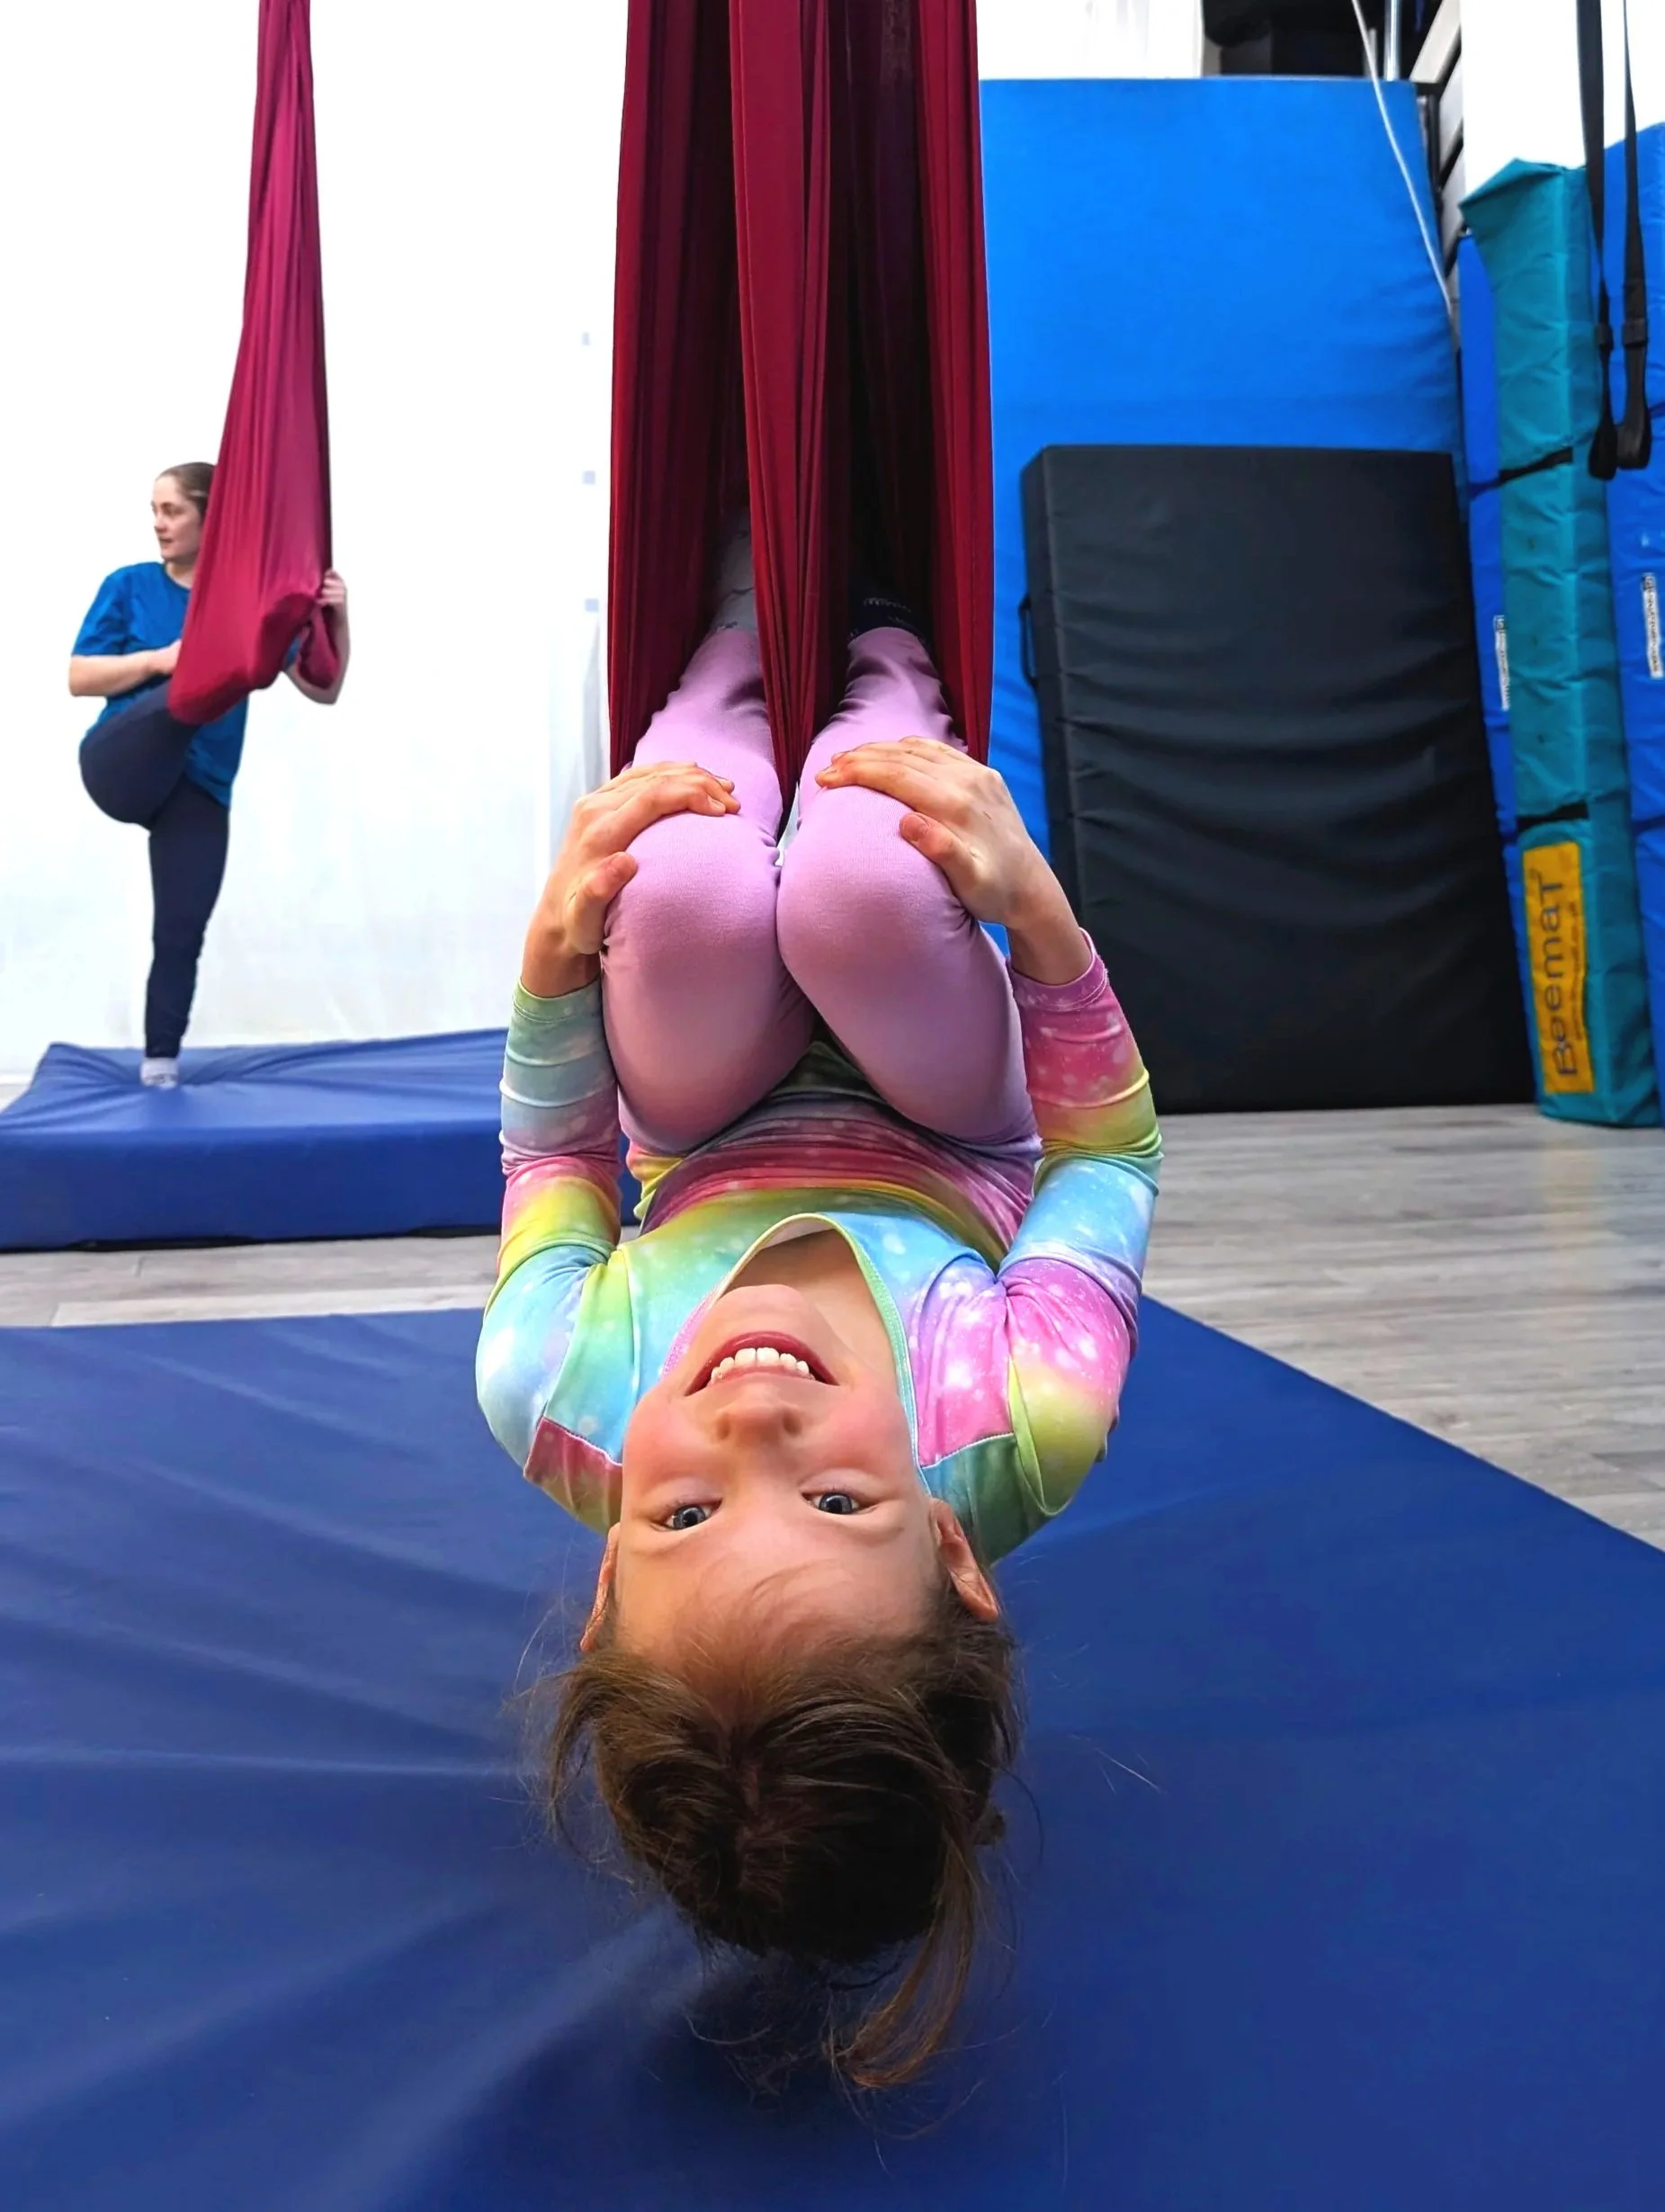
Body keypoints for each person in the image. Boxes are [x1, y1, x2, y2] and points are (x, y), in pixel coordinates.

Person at [476, 530, 1160, 2088]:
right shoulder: (1023, 1411)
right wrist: (1038, 919)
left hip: (700, 1117)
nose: (755, 1419)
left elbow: (556, 1154)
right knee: (854, 879)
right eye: (839, 1492)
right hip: (941, 1119)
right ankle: (877, 627)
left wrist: (548, 967)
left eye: (687, 1508)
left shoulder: (554, 1384)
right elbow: (1106, 1152)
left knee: (687, 888)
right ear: (952, 1552)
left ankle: (736, 602)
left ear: (598, 1584)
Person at [68, 464, 351, 1085]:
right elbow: (79, 676)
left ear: (208, 517)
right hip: (121, 762)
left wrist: (336, 617)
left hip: (196, 787)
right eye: (155, 510)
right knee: (181, 698)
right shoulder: (131, 585)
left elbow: (323, 689)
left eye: (172, 511)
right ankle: (196, 676)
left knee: (181, 929)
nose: (159, 524)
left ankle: (159, 1062)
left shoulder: (248, 605)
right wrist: (163, 661)